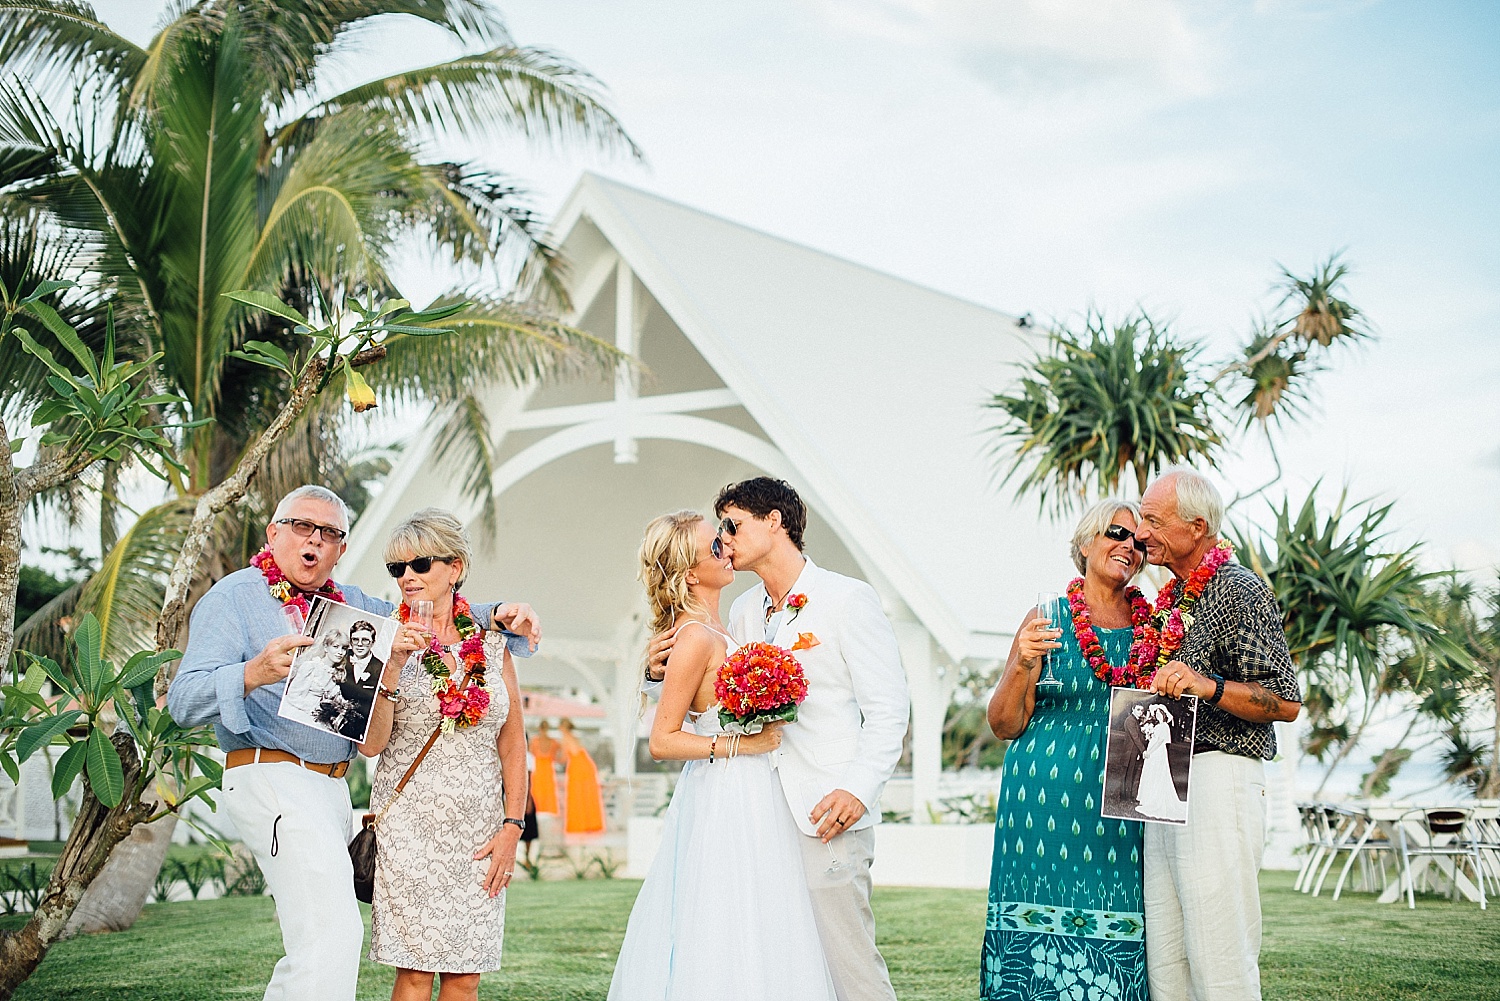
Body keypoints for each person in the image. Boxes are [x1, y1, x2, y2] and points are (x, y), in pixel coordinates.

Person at [167, 486, 541, 1001]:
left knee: (323, 939)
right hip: (273, 774)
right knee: (330, 936)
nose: (314, 541)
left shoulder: (351, 607)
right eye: (302, 527)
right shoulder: (234, 597)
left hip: (333, 788)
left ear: (341, 549)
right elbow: (182, 702)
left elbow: (428, 610)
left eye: (330, 533)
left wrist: (496, 610)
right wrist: (253, 673)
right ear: (274, 533)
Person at [647, 478, 910, 1001]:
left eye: (733, 524)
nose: (723, 537)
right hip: (754, 817)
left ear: (775, 521)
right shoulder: (743, 611)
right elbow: (713, 697)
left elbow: (888, 709)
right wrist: (658, 673)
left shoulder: (847, 599)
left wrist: (856, 790)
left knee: (846, 962)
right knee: (780, 967)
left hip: (826, 809)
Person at [609, 510, 834, 1000]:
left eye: (727, 538)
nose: (727, 547)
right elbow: (662, 740)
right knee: (723, 914)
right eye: (715, 545)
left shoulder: (727, 625)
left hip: (754, 788)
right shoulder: (694, 636)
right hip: (725, 790)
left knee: (761, 914)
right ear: (690, 572)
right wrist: (742, 744)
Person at [1135, 468, 1302, 1001]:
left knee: (1218, 949)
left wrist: (1207, 686)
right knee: (1168, 953)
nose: (1141, 533)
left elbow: (1285, 701)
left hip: (1217, 775)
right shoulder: (1173, 598)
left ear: (1197, 526)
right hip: (1164, 782)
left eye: (1154, 520)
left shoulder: (1237, 589)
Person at [982, 498, 1151, 1001]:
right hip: (1041, 800)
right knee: (1037, 909)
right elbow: (1004, 723)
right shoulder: (1047, 616)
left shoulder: (1155, 625)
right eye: (1116, 534)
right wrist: (1021, 665)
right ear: (1085, 543)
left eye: (1138, 542)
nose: (1129, 546)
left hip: (1122, 794)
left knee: (1117, 908)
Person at [360, 508, 531, 1001]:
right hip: (409, 829)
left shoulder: (495, 646)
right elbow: (371, 744)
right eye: (397, 569)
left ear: (455, 568)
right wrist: (391, 665)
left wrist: (512, 826)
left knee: (466, 976)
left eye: (420, 565)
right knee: (413, 973)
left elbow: (513, 744)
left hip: (479, 830)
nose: (407, 577)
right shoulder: (383, 640)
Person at [329, 619, 383, 740]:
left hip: (357, 732)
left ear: (372, 643)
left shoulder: (380, 668)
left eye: (365, 640)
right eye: (355, 639)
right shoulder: (339, 656)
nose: (359, 644)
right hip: (330, 722)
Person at [1134, 705, 1186, 822]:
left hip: (1158, 751)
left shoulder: (1164, 726)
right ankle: (1147, 798)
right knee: (1150, 773)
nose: (1157, 715)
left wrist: (1149, 752)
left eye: (1159, 713)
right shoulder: (1157, 726)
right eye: (1156, 714)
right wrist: (1148, 734)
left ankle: (1155, 798)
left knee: (1157, 773)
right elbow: (1154, 738)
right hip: (1152, 749)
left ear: (1163, 714)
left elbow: (1161, 741)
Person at [558, 718, 605, 836]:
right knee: (586, 794)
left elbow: (563, 758)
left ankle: (580, 825)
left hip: (577, 766)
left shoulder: (565, 738)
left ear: (562, 728)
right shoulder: (575, 737)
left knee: (577, 794)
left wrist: (550, 758)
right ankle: (589, 823)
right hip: (586, 764)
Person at [529, 720, 560, 814]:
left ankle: (539, 808)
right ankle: (548, 809)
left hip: (538, 766)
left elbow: (531, 753)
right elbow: (555, 756)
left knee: (537, 788)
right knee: (548, 788)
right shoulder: (553, 742)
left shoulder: (535, 741)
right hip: (548, 767)